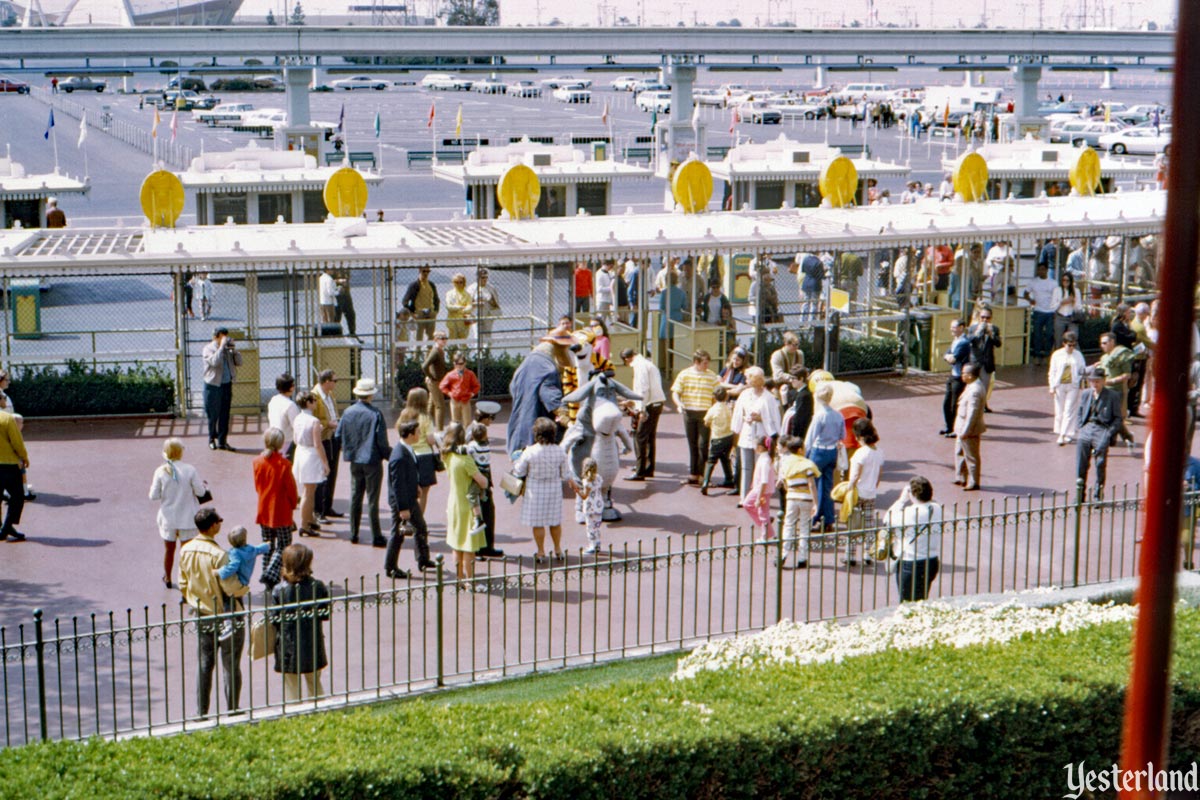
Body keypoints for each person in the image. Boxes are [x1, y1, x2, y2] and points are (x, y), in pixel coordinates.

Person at [178, 508, 247, 718]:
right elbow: (230, 587)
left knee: (204, 664)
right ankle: (233, 709)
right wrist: (244, 589)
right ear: (213, 526)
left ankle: (201, 712)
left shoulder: (186, 550)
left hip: (201, 612)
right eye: (219, 521)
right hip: (225, 614)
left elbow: (183, 583)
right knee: (230, 664)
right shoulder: (220, 555)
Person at [268, 544, 331, 701]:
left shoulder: (278, 589)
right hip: (312, 641)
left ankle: (294, 714)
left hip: (288, 644)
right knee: (314, 683)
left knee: (291, 686)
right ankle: (319, 713)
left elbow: (274, 618)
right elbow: (324, 614)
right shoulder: (318, 586)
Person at [512, 417, 578, 563]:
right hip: (554, 489)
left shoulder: (530, 451)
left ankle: (541, 552)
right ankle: (558, 549)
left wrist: (515, 461)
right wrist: (572, 483)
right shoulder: (559, 451)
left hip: (535, 490)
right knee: (555, 521)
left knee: (538, 522)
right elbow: (566, 473)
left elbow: (519, 471)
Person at [335, 378, 390, 547]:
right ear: (371, 395)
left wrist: (349, 449)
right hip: (372, 459)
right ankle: (376, 535)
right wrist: (389, 456)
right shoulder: (375, 414)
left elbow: (338, 435)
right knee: (373, 499)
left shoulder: (348, 412)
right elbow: (381, 440)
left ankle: (354, 532)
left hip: (355, 459)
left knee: (355, 496)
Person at [148, 437, 207, 588]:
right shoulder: (190, 469)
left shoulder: (160, 471)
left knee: (169, 550)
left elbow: (153, 495)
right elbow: (200, 492)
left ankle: (167, 577)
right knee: (186, 552)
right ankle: (186, 580)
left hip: (169, 518)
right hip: (187, 517)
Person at [384, 419, 432, 578]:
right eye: (417, 432)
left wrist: (416, 485)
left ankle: (423, 559)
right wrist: (403, 508)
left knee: (421, 527)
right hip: (402, 501)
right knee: (397, 534)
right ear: (410, 434)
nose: (420, 434)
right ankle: (390, 567)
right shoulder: (399, 455)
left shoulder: (407, 449)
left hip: (410, 496)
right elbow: (397, 485)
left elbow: (409, 474)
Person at [252, 428, 298, 590]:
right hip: (281, 509)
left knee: (267, 545)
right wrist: (293, 504)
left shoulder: (257, 461)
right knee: (284, 545)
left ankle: (267, 574)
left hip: (264, 507)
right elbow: (291, 489)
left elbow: (257, 485)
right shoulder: (284, 464)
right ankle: (271, 573)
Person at [883, 477, 943, 602]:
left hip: (912, 563)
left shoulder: (911, 512)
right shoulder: (936, 508)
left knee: (907, 602)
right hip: (932, 560)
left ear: (913, 493)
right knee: (921, 598)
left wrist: (901, 500)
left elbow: (887, 520)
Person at [443, 422, 489, 580]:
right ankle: (470, 581)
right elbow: (482, 482)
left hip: (453, 501)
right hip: (467, 506)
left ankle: (459, 579)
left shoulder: (447, 456)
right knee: (468, 547)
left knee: (457, 545)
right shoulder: (465, 459)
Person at [733, 366, 782, 503]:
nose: (746, 380)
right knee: (746, 467)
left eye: (749, 377)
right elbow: (738, 413)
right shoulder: (744, 394)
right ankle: (744, 497)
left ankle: (757, 496)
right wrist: (743, 420)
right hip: (747, 433)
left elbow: (774, 418)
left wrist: (760, 418)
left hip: (761, 435)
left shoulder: (769, 398)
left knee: (759, 468)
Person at [671, 349, 719, 487]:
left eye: (707, 363)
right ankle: (693, 474)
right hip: (689, 412)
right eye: (704, 363)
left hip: (705, 413)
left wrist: (714, 409)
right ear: (696, 362)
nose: (707, 366)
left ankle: (703, 476)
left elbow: (717, 394)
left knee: (703, 445)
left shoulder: (711, 376)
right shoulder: (684, 374)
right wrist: (679, 404)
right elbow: (676, 392)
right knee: (692, 444)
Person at [215, 526, 270, 641]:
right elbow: (259, 549)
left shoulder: (235, 553)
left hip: (236, 580)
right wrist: (267, 546)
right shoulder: (251, 550)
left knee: (227, 597)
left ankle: (229, 623)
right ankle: (239, 617)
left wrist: (219, 572)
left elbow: (232, 567)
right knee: (236, 599)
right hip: (244, 581)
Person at [1077, 366, 1124, 500]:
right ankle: (1080, 493)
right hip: (1087, 427)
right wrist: (1081, 426)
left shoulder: (1112, 396)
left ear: (1103, 381)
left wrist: (1109, 433)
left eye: (1097, 381)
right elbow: (1080, 411)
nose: (1095, 384)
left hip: (1102, 428)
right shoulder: (1086, 394)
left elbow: (1118, 418)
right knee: (1081, 462)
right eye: (1092, 381)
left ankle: (1098, 493)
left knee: (1100, 463)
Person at [843, 417, 884, 566]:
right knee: (868, 524)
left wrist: (849, 487)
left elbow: (855, 475)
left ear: (860, 437)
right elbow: (880, 473)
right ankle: (868, 553)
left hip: (858, 491)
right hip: (871, 492)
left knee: (853, 524)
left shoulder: (860, 453)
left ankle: (850, 555)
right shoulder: (879, 452)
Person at [622, 347, 666, 481]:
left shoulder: (639, 366)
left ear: (627, 359)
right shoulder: (648, 364)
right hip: (657, 402)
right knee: (649, 437)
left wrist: (641, 409)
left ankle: (640, 470)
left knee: (640, 436)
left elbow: (643, 389)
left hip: (649, 405)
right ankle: (648, 468)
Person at [776, 437, 819, 569]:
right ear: (800, 450)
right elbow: (811, 484)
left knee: (788, 525)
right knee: (804, 527)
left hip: (791, 498)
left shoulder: (786, 463)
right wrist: (816, 503)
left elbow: (782, 481)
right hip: (805, 499)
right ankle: (802, 558)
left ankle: (783, 554)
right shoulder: (807, 464)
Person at [803, 382, 841, 531]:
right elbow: (841, 435)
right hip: (832, 451)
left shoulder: (819, 415)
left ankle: (814, 518)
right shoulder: (838, 415)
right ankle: (829, 519)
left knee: (814, 486)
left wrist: (805, 455)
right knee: (827, 486)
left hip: (818, 451)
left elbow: (810, 438)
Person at [292, 392, 330, 539]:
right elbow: (318, 444)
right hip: (311, 456)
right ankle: (304, 524)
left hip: (301, 453)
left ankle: (310, 519)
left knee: (310, 490)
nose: (316, 403)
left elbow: (296, 439)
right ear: (308, 403)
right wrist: (325, 462)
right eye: (314, 401)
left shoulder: (298, 418)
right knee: (308, 492)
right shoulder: (314, 421)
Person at [470, 402, 505, 560]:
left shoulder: (480, 430)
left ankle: (487, 546)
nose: (492, 421)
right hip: (476, 482)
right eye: (491, 418)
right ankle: (477, 548)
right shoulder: (472, 433)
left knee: (488, 512)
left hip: (484, 480)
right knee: (479, 514)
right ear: (484, 418)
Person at [398, 387, 439, 513]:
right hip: (424, 456)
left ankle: (407, 517)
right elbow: (430, 439)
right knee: (424, 491)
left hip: (408, 454)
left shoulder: (404, 415)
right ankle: (419, 519)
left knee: (409, 488)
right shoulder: (426, 417)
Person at [201, 327, 241, 452]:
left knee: (225, 414)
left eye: (226, 337)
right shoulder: (208, 349)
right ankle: (211, 439)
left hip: (226, 385)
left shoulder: (228, 349)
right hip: (213, 386)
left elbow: (239, 362)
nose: (225, 339)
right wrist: (221, 347)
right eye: (222, 337)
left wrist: (234, 350)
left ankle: (222, 441)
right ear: (216, 337)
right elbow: (214, 362)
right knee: (213, 414)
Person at [1097, 332, 1136, 450]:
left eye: (1104, 343)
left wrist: (1112, 381)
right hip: (1104, 390)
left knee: (1113, 417)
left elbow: (1127, 374)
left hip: (1116, 391)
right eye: (1101, 343)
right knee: (1107, 415)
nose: (1102, 346)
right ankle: (1121, 437)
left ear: (1112, 342)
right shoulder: (1104, 357)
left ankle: (1122, 436)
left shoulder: (1122, 355)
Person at [312, 370, 342, 522]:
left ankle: (327, 506)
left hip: (333, 438)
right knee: (322, 473)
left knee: (332, 473)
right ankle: (318, 510)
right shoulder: (315, 397)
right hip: (323, 439)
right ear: (326, 381)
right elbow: (313, 420)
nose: (336, 383)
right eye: (334, 380)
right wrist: (329, 424)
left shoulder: (330, 395)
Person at [1049, 332, 1087, 446]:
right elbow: (1052, 372)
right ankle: (1060, 431)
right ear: (1063, 344)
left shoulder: (1078, 355)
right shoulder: (1056, 355)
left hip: (1072, 386)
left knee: (1069, 410)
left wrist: (1079, 379)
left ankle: (1065, 434)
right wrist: (1051, 386)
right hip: (1060, 385)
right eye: (1069, 345)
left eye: (1073, 345)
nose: (1071, 348)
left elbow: (1082, 370)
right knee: (1059, 410)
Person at [953, 364, 986, 491]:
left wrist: (966, 430)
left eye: (963, 373)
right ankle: (961, 477)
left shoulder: (975, 390)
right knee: (960, 452)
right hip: (961, 426)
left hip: (968, 429)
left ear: (970, 375)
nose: (962, 375)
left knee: (971, 456)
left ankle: (973, 481)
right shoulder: (971, 385)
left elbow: (973, 413)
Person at [701, 385, 736, 496]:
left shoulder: (713, 409)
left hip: (717, 438)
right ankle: (729, 478)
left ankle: (705, 482)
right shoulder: (728, 408)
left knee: (711, 461)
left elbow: (706, 421)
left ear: (714, 397)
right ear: (726, 397)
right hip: (728, 436)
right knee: (725, 458)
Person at [743, 435, 777, 540]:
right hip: (760, 489)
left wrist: (758, 497)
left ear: (761, 447)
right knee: (761, 512)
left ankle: (765, 534)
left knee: (758, 510)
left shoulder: (765, 460)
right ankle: (768, 529)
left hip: (762, 491)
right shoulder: (764, 458)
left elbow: (764, 481)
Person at [967, 305, 1001, 411]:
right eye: (982, 317)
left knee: (985, 387)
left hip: (987, 362)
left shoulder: (994, 328)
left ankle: (982, 405)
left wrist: (991, 334)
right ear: (979, 317)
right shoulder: (973, 328)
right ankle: (975, 407)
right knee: (973, 387)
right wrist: (976, 333)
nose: (985, 320)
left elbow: (998, 344)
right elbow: (968, 341)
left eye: (987, 318)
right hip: (975, 361)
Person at [940, 319, 970, 437]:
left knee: (955, 404)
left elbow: (953, 359)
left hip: (959, 377)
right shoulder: (956, 340)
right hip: (953, 375)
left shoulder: (963, 342)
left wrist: (949, 357)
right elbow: (946, 355)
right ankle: (949, 427)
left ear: (961, 328)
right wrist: (948, 356)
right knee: (947, 403)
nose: (951, 329)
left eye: (954, 327)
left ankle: (956, 429)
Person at [1024, 264, 1058, 367]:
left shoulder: (1053, 282)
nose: (1041, 271)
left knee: (1049, 334)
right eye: (1039, 270)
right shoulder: (1033, 282)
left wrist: (1055, 308)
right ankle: (1037, 356)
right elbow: (1025, 293)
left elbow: (1057, 296)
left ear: (1047, 270)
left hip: (1050, 312)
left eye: (1043, 269)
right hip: (1038, 311)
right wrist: (1030, 300)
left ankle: (1047, 355)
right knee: (1037, 335)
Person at [439, 351, 480, 430]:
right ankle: (456, 437)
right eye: (457, 364)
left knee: (467, 421)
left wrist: (472, 393)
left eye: (461, 363)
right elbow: (442, 385)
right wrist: (449, 393)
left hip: (465, 400)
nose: (460, 366)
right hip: (455, 400)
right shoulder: (450, 374)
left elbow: (477, 386)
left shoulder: (470, 374)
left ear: (465, 363)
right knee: (455, 421)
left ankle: (466, 437)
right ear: (454, 364)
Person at [573, 456, 605, 555]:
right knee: (597, 526)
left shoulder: (587, 481)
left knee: (590, 527)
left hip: (590, 507)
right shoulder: (599, 478)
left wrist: (577, 491)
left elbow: (584, 496)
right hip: (598, 505)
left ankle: (592, 546)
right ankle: (597, 543)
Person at [266, 373, 300, 460]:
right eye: (293, 385)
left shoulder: (273, 400)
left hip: (273, 440)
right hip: (286, 442)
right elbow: (297, 427)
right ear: (290, 387)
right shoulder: (290, 405)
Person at [402, 266, 439, 343]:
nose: (426, 273)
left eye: (428, 271)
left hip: (431, 313)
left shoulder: (431, 285)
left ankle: (429, 353)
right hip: (419, 314)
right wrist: (412, 313)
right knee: (418, 338)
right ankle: (417, 354)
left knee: (431, 336)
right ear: (419, 271)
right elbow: (404, 301)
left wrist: (435, 311)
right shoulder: (414, 285)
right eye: (424, 271)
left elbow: (436, 299)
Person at [422, 330, 450, 430]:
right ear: (436, 339)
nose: (445, 340)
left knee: (431, 405)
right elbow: (425, 366)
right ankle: (440, 430)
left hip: (438, 381)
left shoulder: (440, 351)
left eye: (446, 338)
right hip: (435, 382)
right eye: (442, 338)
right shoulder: (435, 351)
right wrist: (430, 376)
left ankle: (425, 427)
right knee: (440, 406)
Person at [466, 268, 501, 342]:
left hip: (488, 314)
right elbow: (467, 304)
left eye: (486, 277)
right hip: (475, 314)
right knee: (478, 336)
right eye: (482, 277)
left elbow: (496, 302)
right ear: (478, 278)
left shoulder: (491, 288)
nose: (485, 279)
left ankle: (487, 352)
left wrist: (491, 302)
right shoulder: (471, 288)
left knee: (488, 336)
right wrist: (476, 303)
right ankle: (478, 352)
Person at [1052, 271, 1083, 348]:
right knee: (1058, 340)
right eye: (1063, 280)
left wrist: (1073, 302)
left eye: (1067, 280)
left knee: (1073, 338)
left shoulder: (1076, 291)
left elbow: (1079, 308)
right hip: (1060, 317)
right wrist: (1062, 302)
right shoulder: (1057, 290)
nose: (1065, 282)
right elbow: (1052, 307)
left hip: (1072, 318)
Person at [658, 272, 687, 344]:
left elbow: (661, 307)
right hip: (677, 319)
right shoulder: (682, 293)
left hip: (666, 318)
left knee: (666, 343)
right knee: (677, 343)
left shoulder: (664, 293)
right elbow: (684, 306)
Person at [444, 273, 473, 342]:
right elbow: (448, 306)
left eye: (461, 282)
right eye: (456, 282)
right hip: (452, 321)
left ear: (464, 283)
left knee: (463, 342)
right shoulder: (449, 294)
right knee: (452, 342)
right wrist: (459, 308)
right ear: (453, 283)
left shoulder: (467, 294)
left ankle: (463, 353)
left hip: (464, 322)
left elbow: (470, 306)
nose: (459, 284)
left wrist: (463, 310)